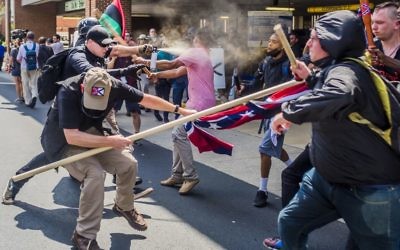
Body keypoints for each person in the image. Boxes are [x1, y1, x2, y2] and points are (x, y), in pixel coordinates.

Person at [271, 10, 400, 249]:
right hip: (325, 178)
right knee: (290, 222)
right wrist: (310, 78)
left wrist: (289, 111)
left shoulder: (347, 72)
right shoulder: (337, 68)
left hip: (369, 188)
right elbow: (330, 87)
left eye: (314, 37)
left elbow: (341, 92)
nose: (308, 42)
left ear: (333, 41)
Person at [31, 67, 196, 249]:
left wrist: (180, 110)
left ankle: (124, 206)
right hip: (63, 140)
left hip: (93, 132)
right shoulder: (68, 91)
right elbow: (72, 136)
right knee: (94, 174)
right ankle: (83, 236)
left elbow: (146, 99)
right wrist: (111, 141)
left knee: (128, 164)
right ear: (83, 86)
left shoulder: (114, 85)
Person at [2, 25, 153, 206]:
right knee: (52, 155)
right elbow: (94, 74)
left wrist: (138, 50)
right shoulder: (78, 55)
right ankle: (17, 181)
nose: (107, 49)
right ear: (88, 39)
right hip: (68, 115)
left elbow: (117, 49)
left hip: (90, 116)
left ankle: (124, 189)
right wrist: (125, 71)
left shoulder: (97, 51)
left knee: (111, 146)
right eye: (102, 43)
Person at [137, 28, 215, 194]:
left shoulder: (196, 52)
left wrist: (146, 63)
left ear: (197, 39)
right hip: (199, 103)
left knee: (178, 134)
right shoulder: (203, 55)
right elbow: (176, 72)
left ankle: (190, 176)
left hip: (199, 104)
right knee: (177, 135)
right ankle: (177, 175)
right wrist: (157, 75)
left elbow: (172, 64)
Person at [238, 32, 293, 207]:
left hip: (281, 115)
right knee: (274, 147)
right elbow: (257, 81)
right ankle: (296, 169)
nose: (269, 44)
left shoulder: (289, 65)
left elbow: (293, 91)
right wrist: (244, 91)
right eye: (268, 41)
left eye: (273, 42)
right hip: (268, 112)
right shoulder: (266, 62)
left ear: (283, 46)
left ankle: (262, 190)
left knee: (264, 149)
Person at [370, 1, 400, 80]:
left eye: (380, 23)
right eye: (372, 22)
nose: (374, 27)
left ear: (397, 24)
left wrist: (387, 60)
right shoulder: (369, 47)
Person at [17, 31, 40, 108]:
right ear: (34, 38)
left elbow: (18, 58)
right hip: (34, 67)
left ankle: (28, 101)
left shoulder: (22, 46)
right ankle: (34, 96)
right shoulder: (37, 46)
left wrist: (23, 62)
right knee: (34, 83)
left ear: (27, 37)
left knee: (25, 84)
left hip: (24, 67)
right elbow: (38, 56)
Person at [9, 38, 23, 103]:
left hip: (16, 68)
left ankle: (19, 97)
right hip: (23, 68)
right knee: (22, 83)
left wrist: (9, 67)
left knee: (17, 84)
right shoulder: (23, 48)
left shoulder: (13, 50)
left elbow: (11, 60)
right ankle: (23, 96)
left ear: (15, 43)